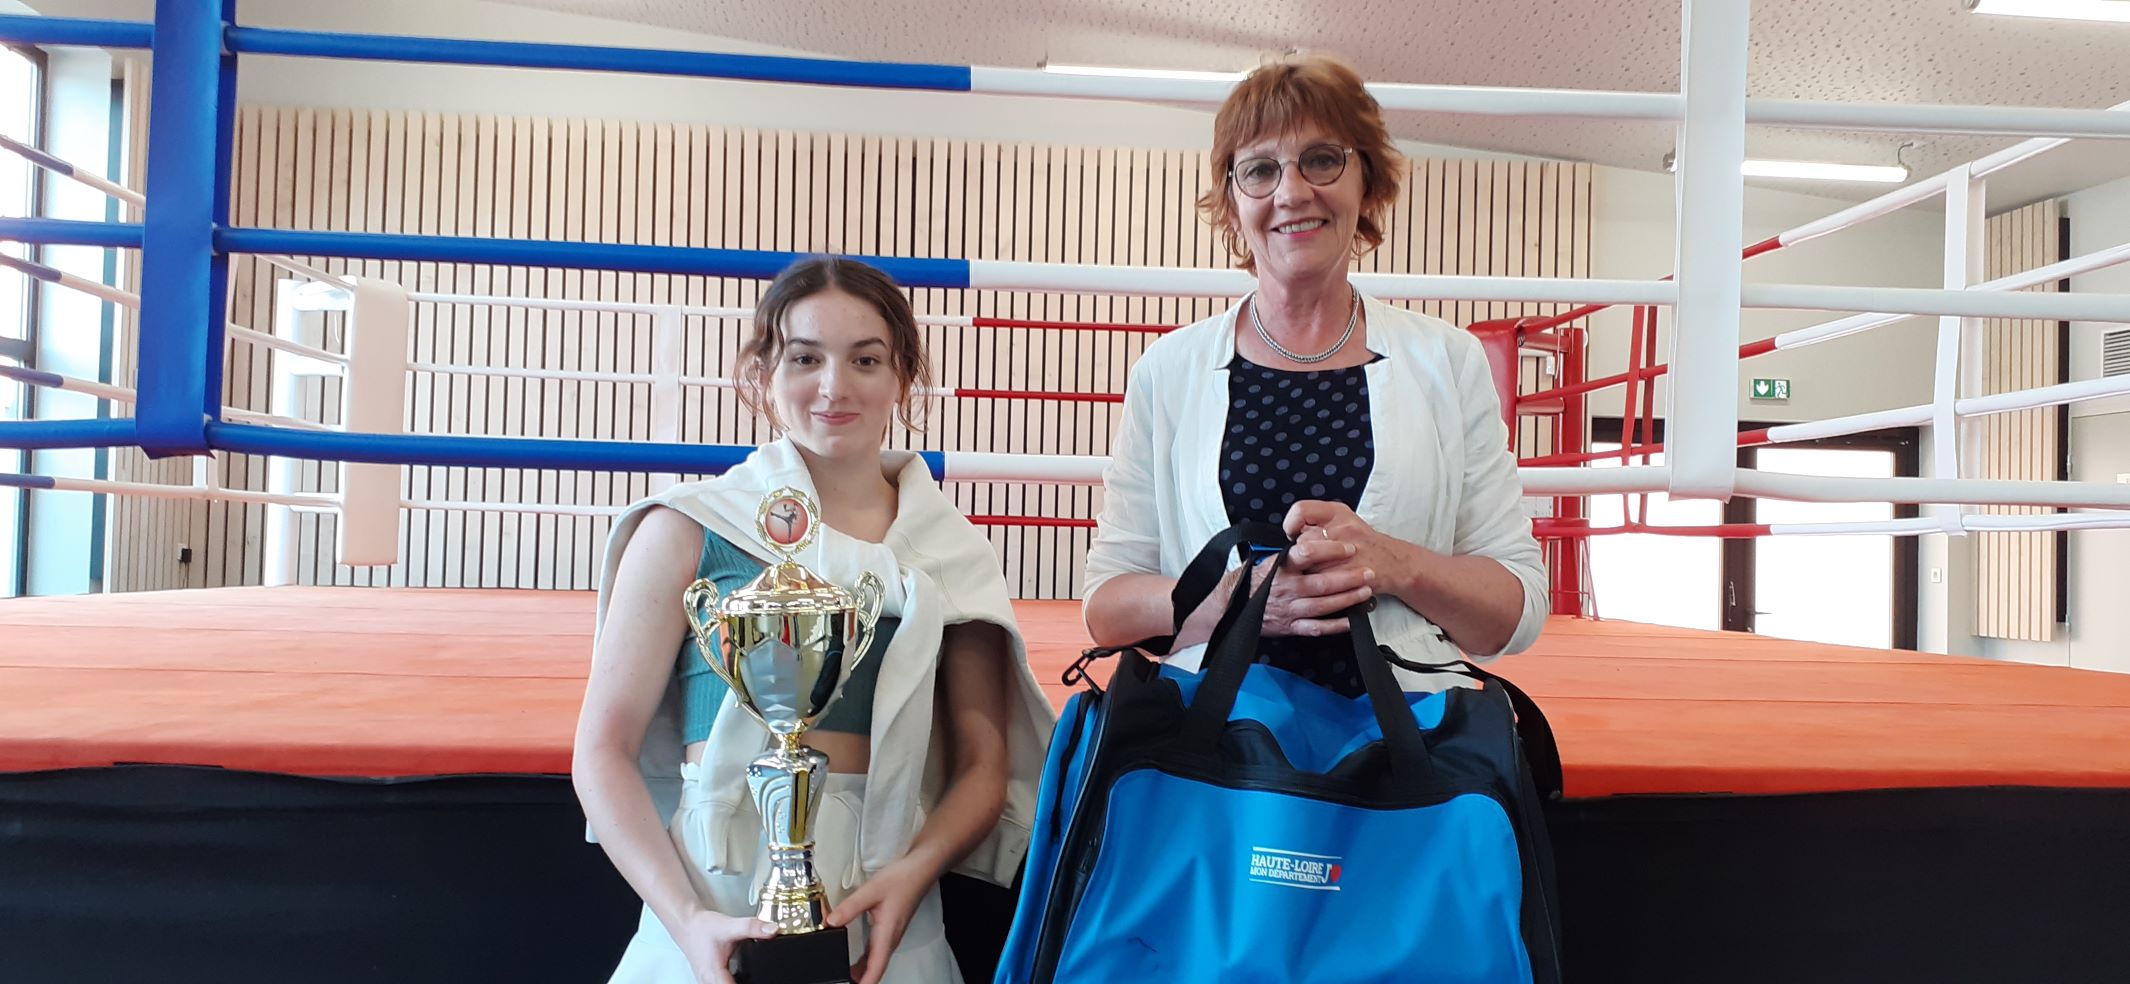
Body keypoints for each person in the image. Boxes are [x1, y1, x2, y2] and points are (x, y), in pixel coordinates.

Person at [575, 257, 1053, 984]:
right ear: (764, 371)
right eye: (806, 358)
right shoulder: (688, 528)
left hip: (887, 914)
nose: (834, 386)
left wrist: (913, 876)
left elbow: (983, 768)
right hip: (709, 907)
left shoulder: (950, 551)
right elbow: (601, 750)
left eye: (865, 359)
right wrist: (688, 919)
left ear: (901, 378)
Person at [1082, 54, 1548, 693]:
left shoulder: (1447, 359)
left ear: (1367, 179)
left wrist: (1393, 564)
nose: (1292, 192)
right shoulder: (1170, 370)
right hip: (1220, 753)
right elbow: (1106, 607)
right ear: (1233, 199)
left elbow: (1513, 612)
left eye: (1322, 159)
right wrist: (1231, 600)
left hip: (1405, 747)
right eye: (1260, 170)